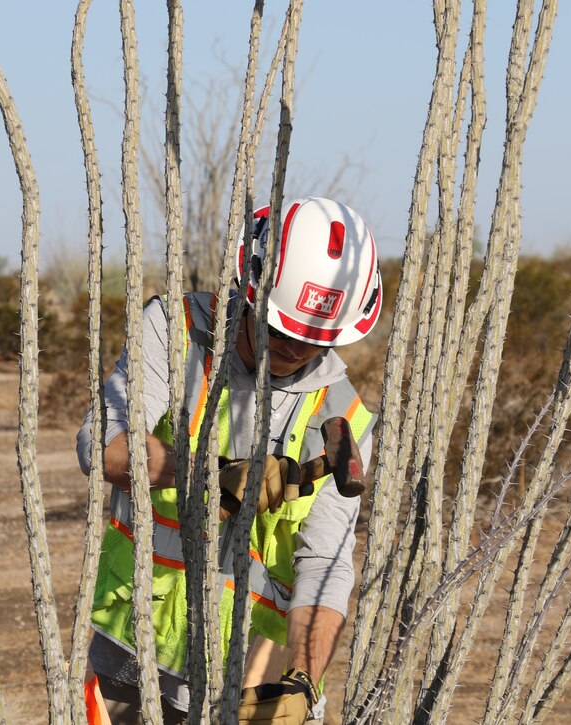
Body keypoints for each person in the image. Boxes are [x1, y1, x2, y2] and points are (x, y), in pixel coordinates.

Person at [76, 197, 382, 724]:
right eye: (281, 328)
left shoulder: (343, 419)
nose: (295, 348)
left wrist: (304, 683)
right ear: (251, 288)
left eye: (314, 340)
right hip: (131, 643)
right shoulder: (175, 332)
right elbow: (101, 444)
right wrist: (211, 475)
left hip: (248, 675)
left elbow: (325, 568)